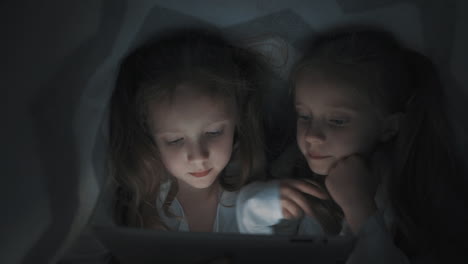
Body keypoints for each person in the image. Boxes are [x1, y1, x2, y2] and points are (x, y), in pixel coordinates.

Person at [237, 29, 468, 263]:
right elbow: (262, 251)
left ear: (388, 127)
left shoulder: (414, 197)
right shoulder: (295, 172)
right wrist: (258, 203)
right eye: (304, 116)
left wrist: (361, 212)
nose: (312, 136)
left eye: (337, 121)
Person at [59, 28, 267, 263]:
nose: (198, 157)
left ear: (238, 122)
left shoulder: (257, 204)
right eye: (175, 140)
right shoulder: (136, 209)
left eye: (213, 132)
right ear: (150, 136)